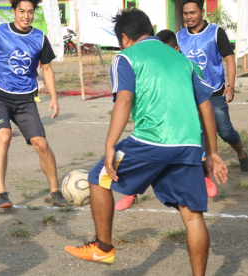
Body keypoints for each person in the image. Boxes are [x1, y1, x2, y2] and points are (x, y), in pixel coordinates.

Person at [64, 9, 228, 276]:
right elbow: (206, 106)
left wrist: (110, 145)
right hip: (188, 144)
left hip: (152, 140)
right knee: (192, 216)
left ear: (125, 38)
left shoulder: (125, 58)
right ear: (149, 30)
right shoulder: (181, 59)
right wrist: (212, 153)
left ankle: (103, 247)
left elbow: (125, 99)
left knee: (98, 177)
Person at [0, 0, 69, 208]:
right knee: (4, 136)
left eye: (30, 12)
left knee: (41, 143)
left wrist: (54, 97)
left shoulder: (39, 37)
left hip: (25, 98)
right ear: (14, 11)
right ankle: (1, 193)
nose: (26, 16)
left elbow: (47, 69)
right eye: (22, 11)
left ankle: (55, 191)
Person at [114, 29, 218, 211]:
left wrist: (211, 149)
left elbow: (204, 106)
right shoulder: (147, 66)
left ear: (176, 49)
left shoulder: (189, 66)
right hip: (157, 132)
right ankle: (130, 192)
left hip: (187, 130)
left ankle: (204, 176)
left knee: (195, 160)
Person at [177, 0, 248, 174]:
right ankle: (203, 172)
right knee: (197, 132)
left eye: (192, 13)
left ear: (202, 12)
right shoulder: (179, 37)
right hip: (191, 94)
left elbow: (229, 59)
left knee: (225, 132)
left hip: (215, 92)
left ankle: (241, 153)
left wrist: (230, 86)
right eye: (186, 13)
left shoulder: (216, 32)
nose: (189, 17)